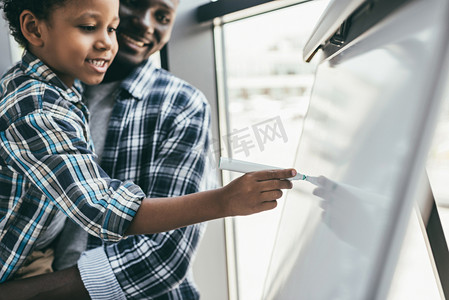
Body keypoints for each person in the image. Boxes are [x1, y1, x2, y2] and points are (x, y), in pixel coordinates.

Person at [0, 0, 296, 288]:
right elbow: (103, 208)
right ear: (34, 29)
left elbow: (162, 258)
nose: (107, 41)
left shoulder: (180, 104)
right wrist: (222, 201)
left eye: (111, 28)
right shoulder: (40, 106)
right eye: (90, 26)